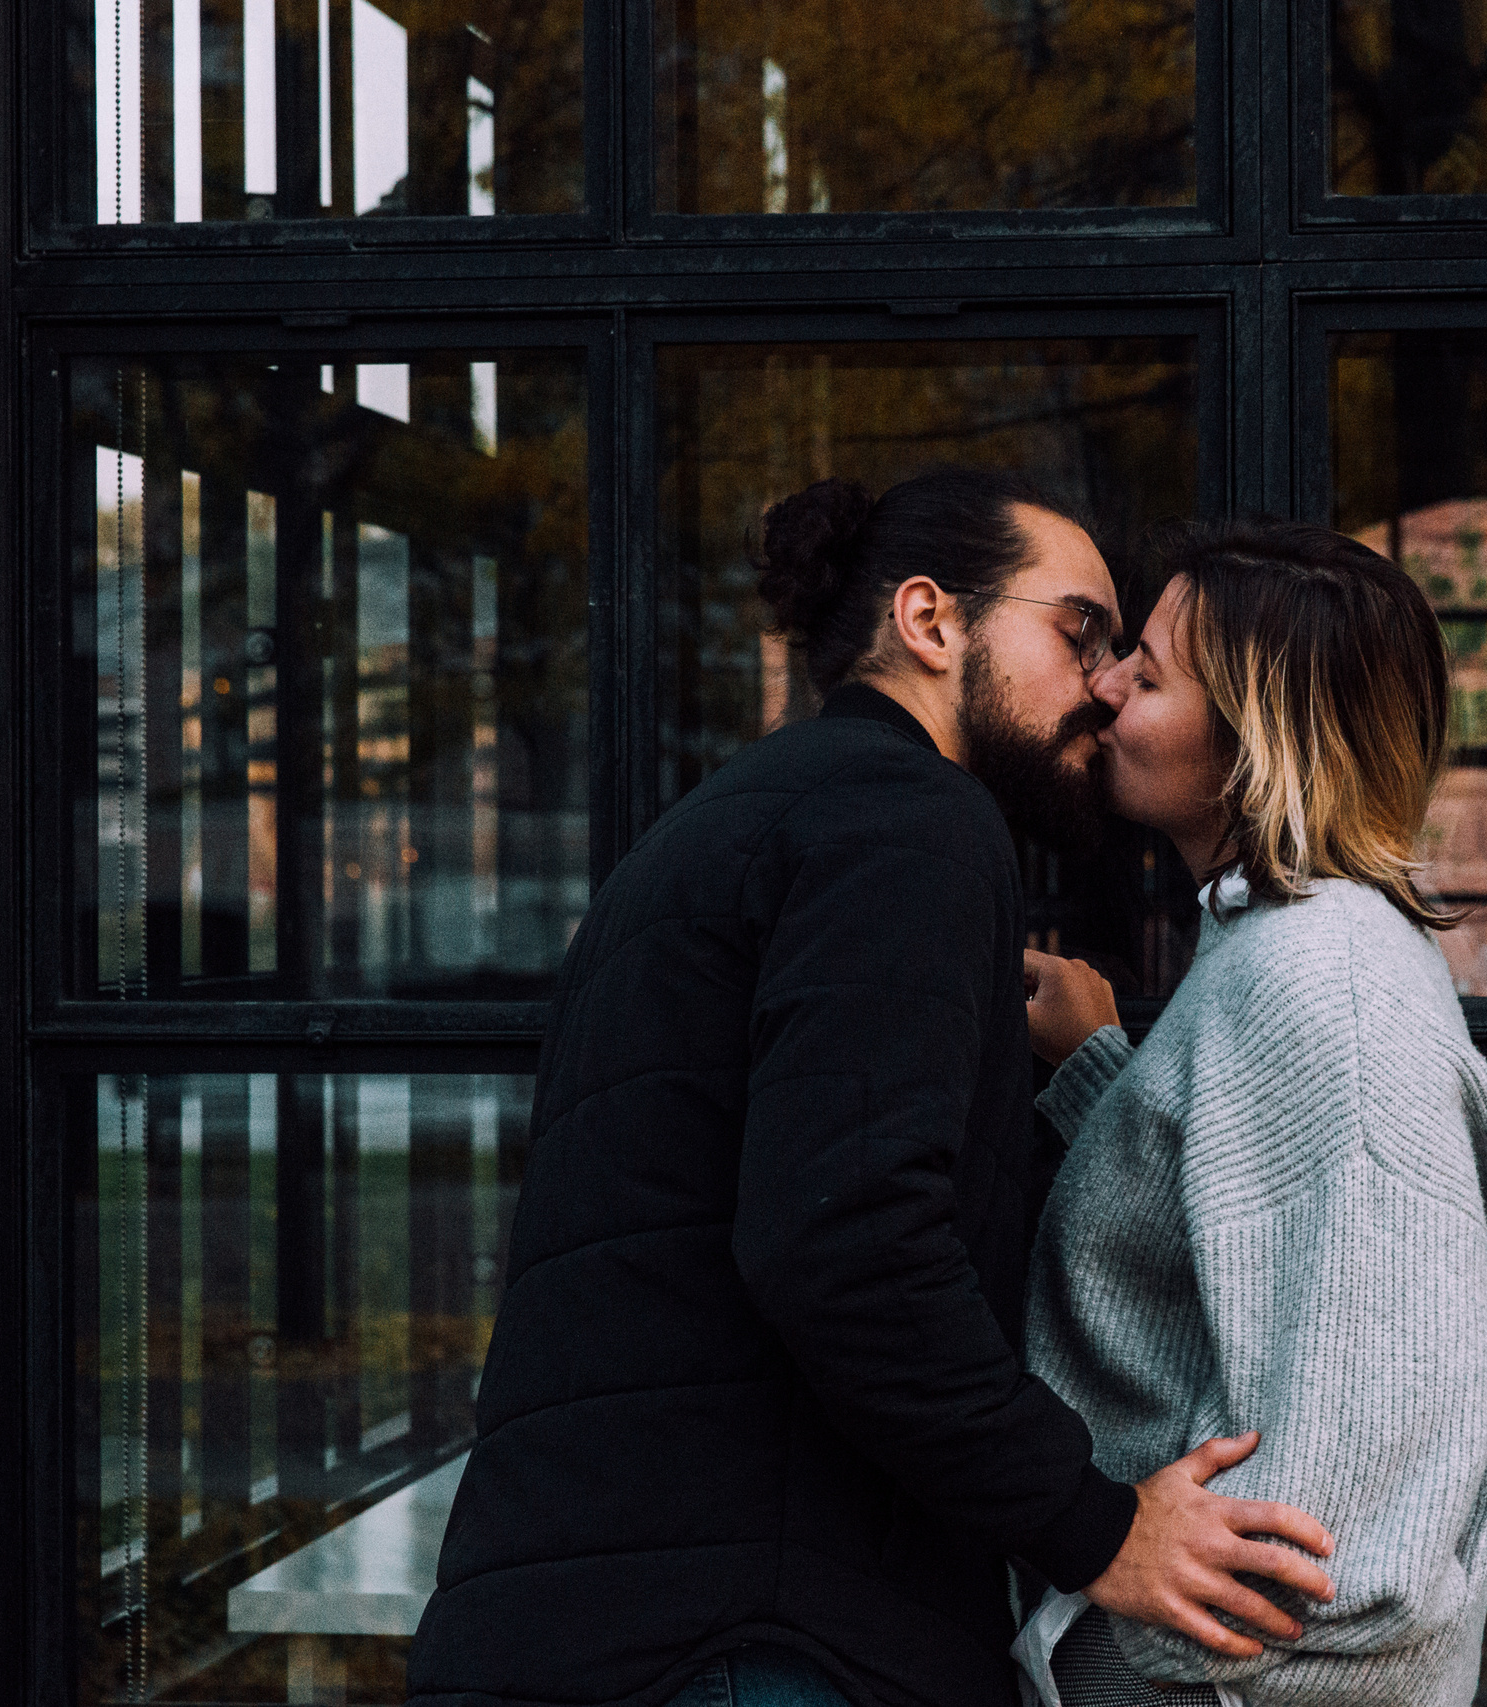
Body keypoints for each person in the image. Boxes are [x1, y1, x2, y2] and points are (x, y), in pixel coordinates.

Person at [405, 469, 1334, 1707]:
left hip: (623, 1619)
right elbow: (846, 1239)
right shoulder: (905, 818)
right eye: (1079, 634)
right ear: (931, 621)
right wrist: (1098, 1527)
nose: (1107, 685)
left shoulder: (738, 823)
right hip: (751, 1641)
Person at [1012, 520, 1487, 1707]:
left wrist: (1176, 1657)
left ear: (1254, 740)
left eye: (1144, 673)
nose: (1101, 687)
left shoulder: (1323, 982)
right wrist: (1105, 1070)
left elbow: (1373, 1425)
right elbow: (1242, 1235)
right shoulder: (1279, 950)